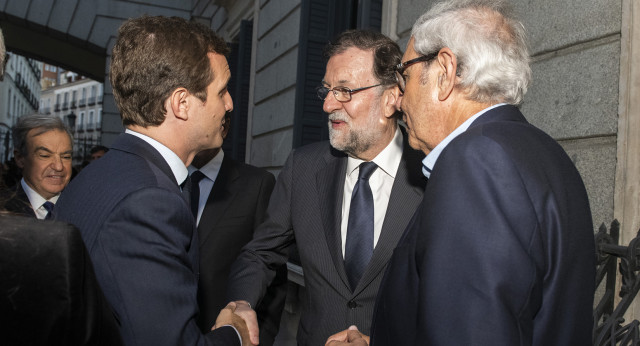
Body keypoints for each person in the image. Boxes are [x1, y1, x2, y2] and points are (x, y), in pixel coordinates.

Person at [328, 0, 595, 345]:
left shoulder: (474, 162)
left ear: (444, 71)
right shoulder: (546, 153)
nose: (399, 100)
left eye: (405, 77)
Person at [53, 15, 249, 346]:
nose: (230, 103)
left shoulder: (100, 174)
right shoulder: (149, 202)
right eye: (222, 91)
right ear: (182, 103)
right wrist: (235, 333)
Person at [223, 29, 426, 346]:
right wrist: (241, 303)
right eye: (328, 90)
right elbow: (260, 253)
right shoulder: (303, 167)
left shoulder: (432, 174)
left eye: (345, 91)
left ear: (391, 98)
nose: (328, 105)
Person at [190, 112, 287, 345]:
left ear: (224, 126)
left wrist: (256, 340)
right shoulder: (165, 181)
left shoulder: (257, 184)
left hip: (228, 335)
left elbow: (271, 269)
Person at [0, 115, 73, 219]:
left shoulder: (86, 209)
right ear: (20, 158)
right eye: (45, 156)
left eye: (66, 157)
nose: (58, 166)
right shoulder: (3, 208)